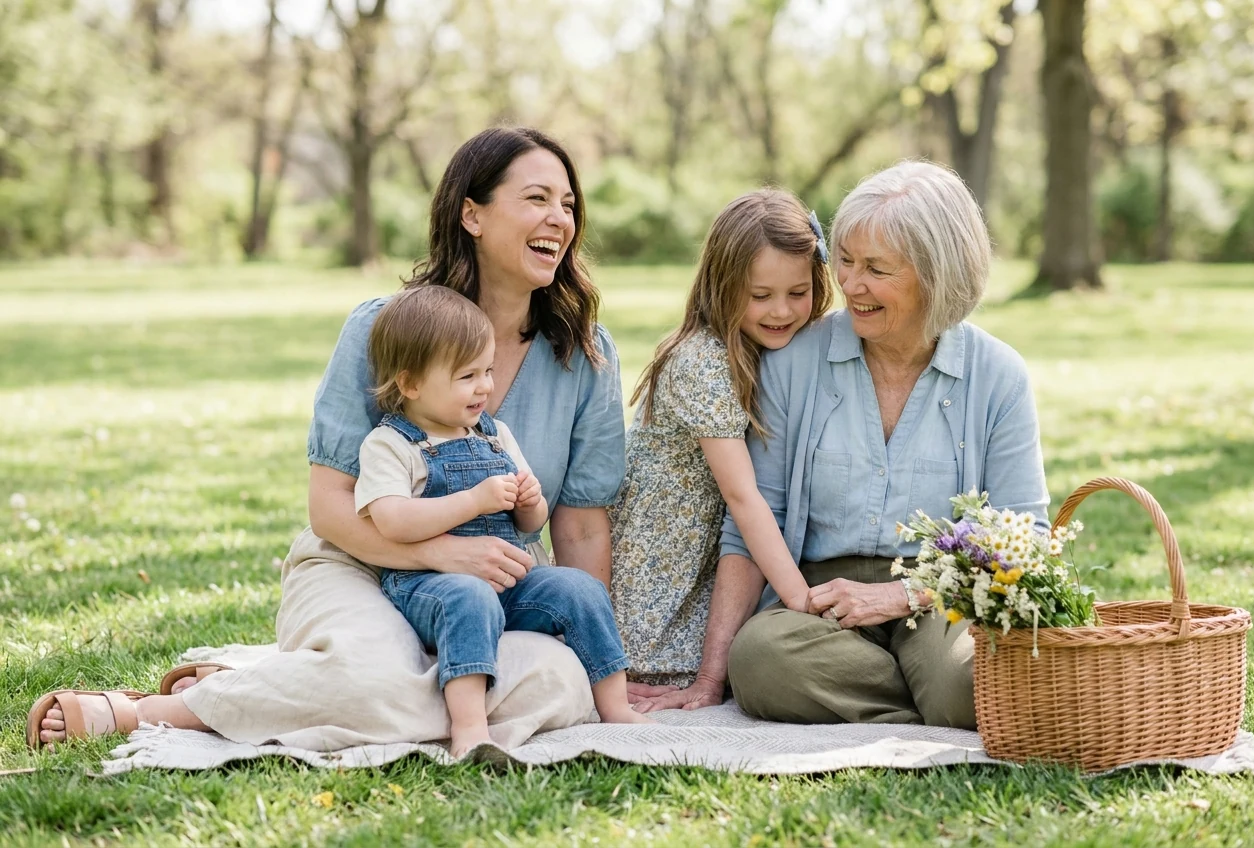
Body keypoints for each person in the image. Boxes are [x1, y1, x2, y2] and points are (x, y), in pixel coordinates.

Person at [29, 127, 626, 753]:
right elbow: (332, 506)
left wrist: (593, 651)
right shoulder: (381, 330)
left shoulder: (584, 355)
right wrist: (438, 554)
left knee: (564, 683)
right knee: (372, 683)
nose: (559, 219)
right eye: (537, 198)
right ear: (470, 214)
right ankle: (159, 711)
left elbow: (580, 528)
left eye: (568, 204)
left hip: (490, 592)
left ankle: (276, 687)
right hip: (357, 565)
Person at [632, 161, 1050, 724]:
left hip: (936, 597)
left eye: (876, 269)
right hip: (818, 601)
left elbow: (1026, 538)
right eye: (846, 261)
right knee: (759, 661)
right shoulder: (794, 361)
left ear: (937, 274)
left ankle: (935, 691)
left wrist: (903, 597)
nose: (850, 285)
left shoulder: (997, 374)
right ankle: (929, 701)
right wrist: (712, 678)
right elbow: (755, 520)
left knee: (964, 676)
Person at [359, 286, 647, 756]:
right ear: (410, 384)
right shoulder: (391, 444)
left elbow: (531, 521)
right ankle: (470, 727)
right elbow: (393, 520)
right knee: (470, 598)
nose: (485, 387)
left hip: (511, 577)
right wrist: (472, 501)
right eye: (466, 376)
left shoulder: (496, 435)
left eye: (488, 371)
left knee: (579, 588)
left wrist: (530, 500)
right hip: (428, 586)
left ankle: (614, 704)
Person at [610, 189, 835, 695]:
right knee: (677, 668)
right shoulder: (702, 363)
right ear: (722, 285)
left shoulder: (764, 349)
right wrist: (801, 600)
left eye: (798, 293)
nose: (782, 311)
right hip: (663, 555)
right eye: (760, 296)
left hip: (711, 546)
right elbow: (742, 495)